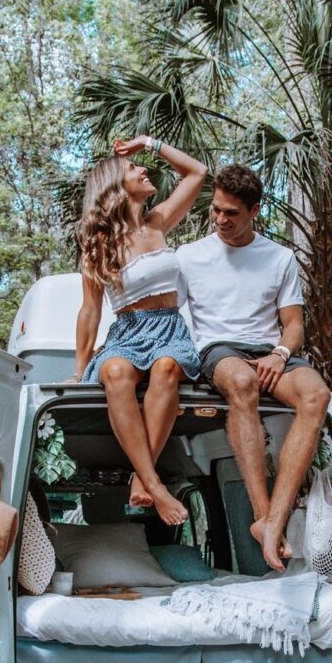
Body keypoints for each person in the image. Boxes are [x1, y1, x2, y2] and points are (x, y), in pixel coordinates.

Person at [176, 164, 331, 571]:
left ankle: (273, 522)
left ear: (255, 211)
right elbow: (167, 314)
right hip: (218, 348)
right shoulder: (189, 257)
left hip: (269, 349)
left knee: (317, 395)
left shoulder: (279, 258)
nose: (221, 220)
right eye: (216, 210)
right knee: (242, 382)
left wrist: (280, 353)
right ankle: (263, 516)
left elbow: (294, 324)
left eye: (232, 213)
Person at [74, 136, 206, 526]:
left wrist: (149, 143)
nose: (144, 170)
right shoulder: (98, 244)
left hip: (169, 328)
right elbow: (90, 312)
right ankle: (155, 483)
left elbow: (196, 172)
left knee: (167, 368)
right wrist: (80, 369)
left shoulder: (158, 222)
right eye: (134, 169)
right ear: (115, 185)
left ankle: (141, 477)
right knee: (114, 372)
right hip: (128, 332)